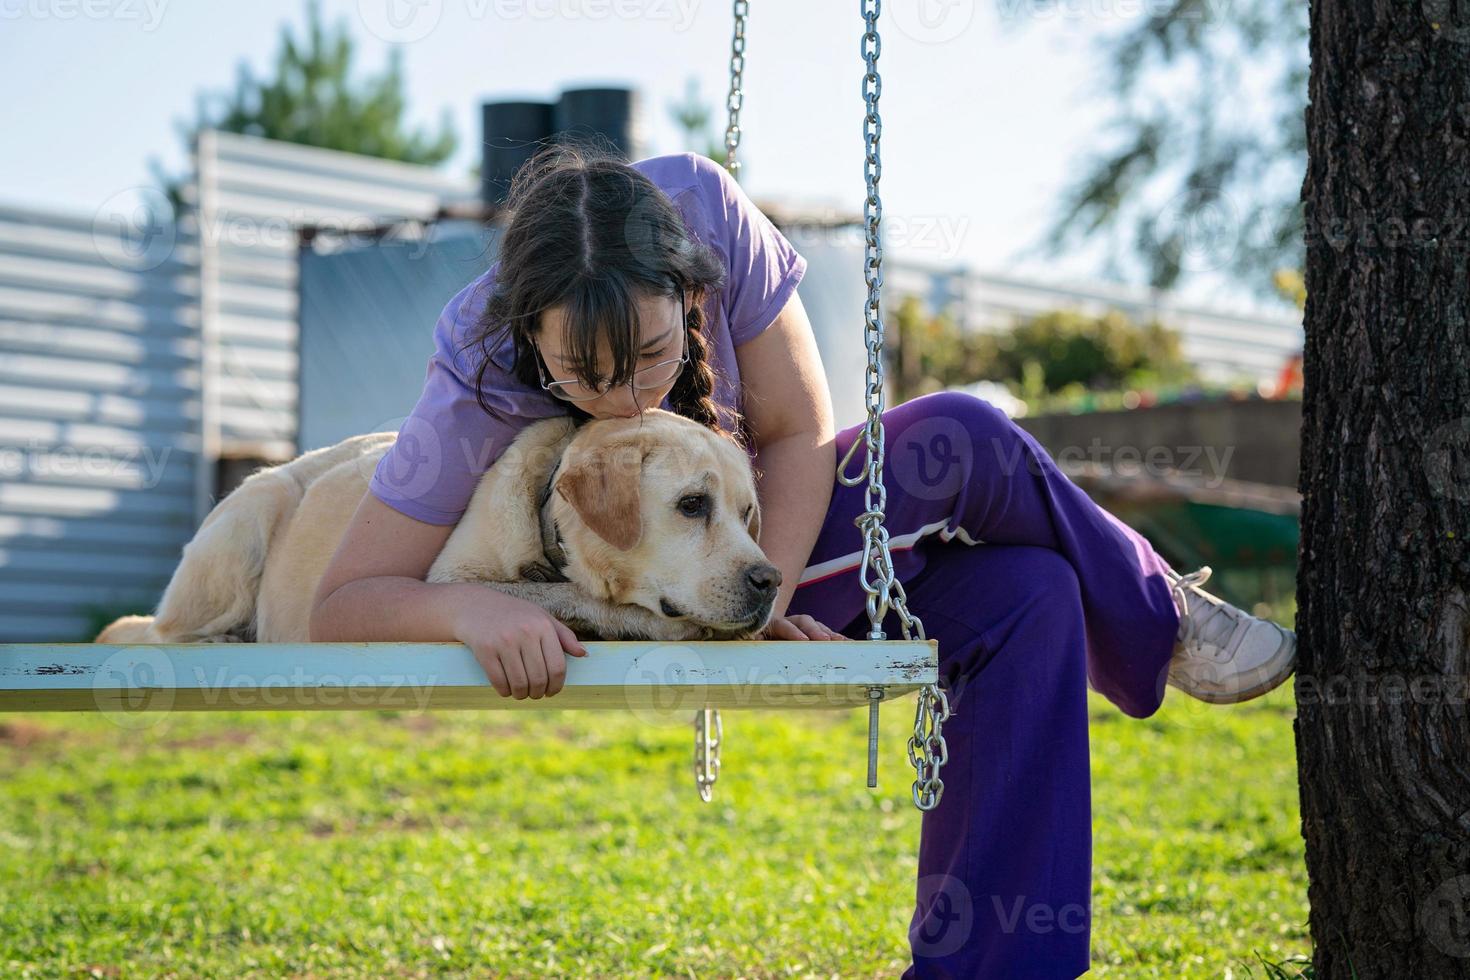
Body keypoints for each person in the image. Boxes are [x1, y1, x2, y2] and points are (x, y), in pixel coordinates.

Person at [309, 143, 1297, 978]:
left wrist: (762, 585)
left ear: (689, 290)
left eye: (651, 355)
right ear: (528, 331)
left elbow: (797, 433)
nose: (618, 394)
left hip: (773, 546)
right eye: (580, 371)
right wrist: (475, 613)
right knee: (970, 439)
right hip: (645, 602)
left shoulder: (706, 210)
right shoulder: (476, 360)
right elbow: (343, 601)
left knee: (1026, 593)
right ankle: (1157, 618)